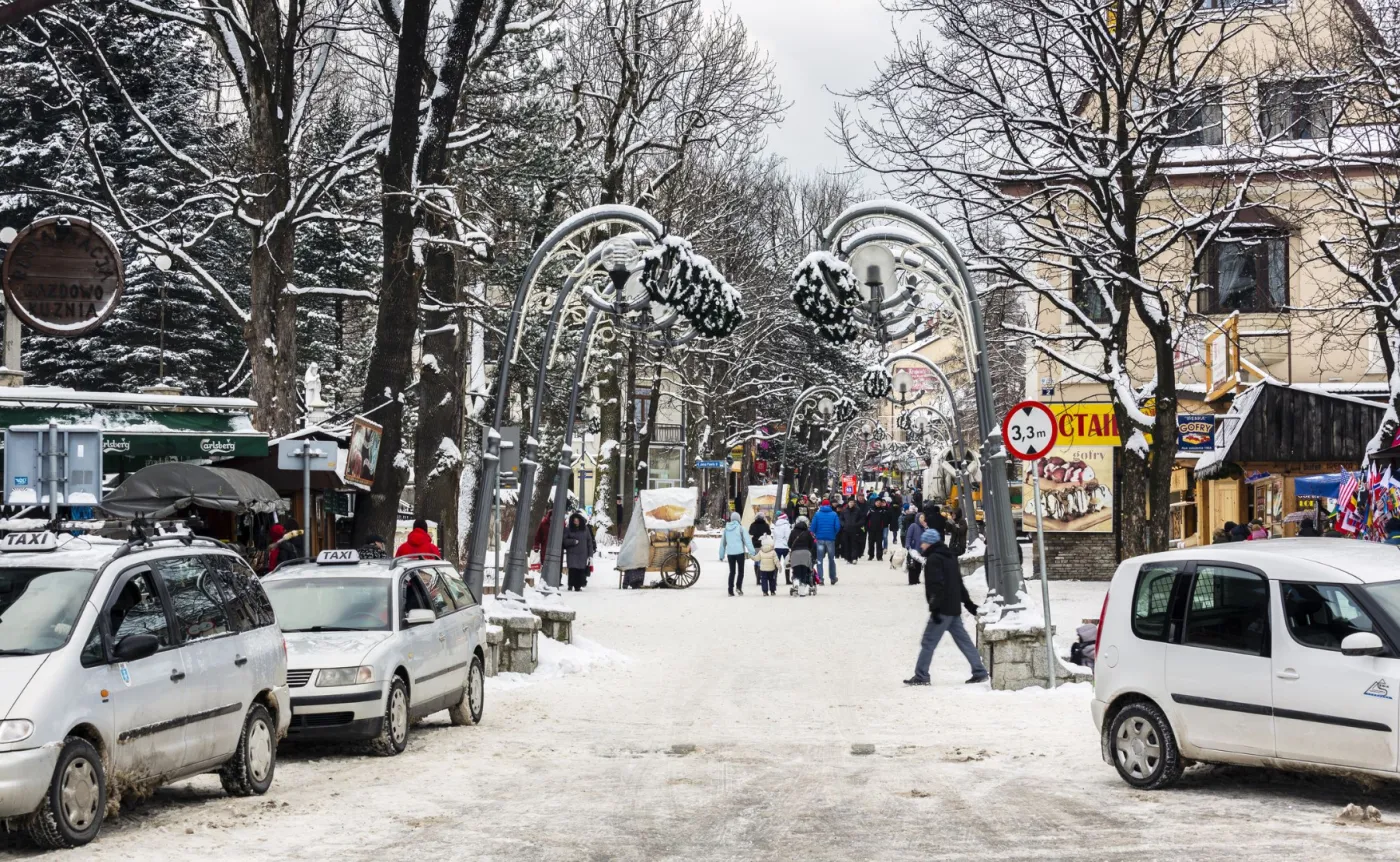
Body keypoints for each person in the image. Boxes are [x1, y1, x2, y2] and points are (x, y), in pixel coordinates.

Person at [905, 527, 989, 686]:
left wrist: (935, 608)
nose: (921, 545)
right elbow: (959, 582)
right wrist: (968, 603)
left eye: (924, 542)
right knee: (964, 641)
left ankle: (921, 675)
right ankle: (979, 671)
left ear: (930, 543)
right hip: (953, 607)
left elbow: (936, 585)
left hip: (942, 609)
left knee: (928, 642)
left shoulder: (934, 560)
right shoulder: (949, 557)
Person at [718, 511, 755, 596]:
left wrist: (721, 555)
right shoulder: (741, 528)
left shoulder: (726, 529)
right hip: (740, 553)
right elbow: (747, 541)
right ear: (739, 519)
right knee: (741, 571)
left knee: (732, 572)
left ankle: (730, 590)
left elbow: (723, 543)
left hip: (730, 554)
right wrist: (752, 552)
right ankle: (738, 587)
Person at [809, 498, 841, 585]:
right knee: (831, 559)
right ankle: (833, 578)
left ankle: (820, 579)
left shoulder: (817, 514)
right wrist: (833, 533)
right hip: (830, 539)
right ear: (829, 505)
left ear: (822, 505)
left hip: (820, 539)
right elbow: (838, 526)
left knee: (819, 560)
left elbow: (812, 528)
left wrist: (816, 534)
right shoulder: (834, 514)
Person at [562, 512, 596, 591]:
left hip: (582, 554)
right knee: (573, 570)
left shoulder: (585, 529)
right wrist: (573, 541)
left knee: (580, 570)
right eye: (574, 520)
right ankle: (570, 584)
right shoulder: (568, 529)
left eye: (577, 520)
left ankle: (578, 586)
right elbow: (564, 541)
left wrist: (590, 555)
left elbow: (589, 542)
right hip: (572, 553)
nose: (576, 522)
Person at [788, 516, 816, 596]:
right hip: (805, 553)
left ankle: (796, 583)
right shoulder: (807, 533)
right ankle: (802, 590)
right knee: (804, 572)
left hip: (795, 554)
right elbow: (812, 545)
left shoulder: (793, 532)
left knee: (796, 571)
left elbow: (789, 544)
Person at [904, 509, 927, 586]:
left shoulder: (924, 528)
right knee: (912, 565)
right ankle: (912, 580)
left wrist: (926, 527)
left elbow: (928, 536)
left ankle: (917, 579)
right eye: (921, 517)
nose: (922, 519)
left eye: (923, 517)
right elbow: (908, 536)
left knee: (918, 566)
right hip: (913, 549)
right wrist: (907, 545)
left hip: (921, 550)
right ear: (917, 518)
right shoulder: (913, 525)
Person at [865, 497, 890, 561]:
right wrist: (867, 527)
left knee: (879, 543)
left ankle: (879, 556)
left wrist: (883, 526)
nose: (878, 504)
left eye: (879, 503)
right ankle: (871, 555)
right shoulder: (870, 510)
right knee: (871, 543)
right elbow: (866, 518)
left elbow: (886, 519)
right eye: (877, 502)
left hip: (879, 530)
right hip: (871, 529)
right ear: (875, 502)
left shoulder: (883, 510)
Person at [749, 512, 772, 580]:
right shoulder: (766, 525)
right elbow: (769, 533)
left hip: (755, 544)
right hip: (764, 544)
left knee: (756, 560)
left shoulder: (753, 524)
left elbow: (750, 532)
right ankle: (762, 576)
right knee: (762, 561)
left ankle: (757, 578)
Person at [771, 512, 793, 584]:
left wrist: (774, 545)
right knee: (787, 563)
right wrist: (790, 546)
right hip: (785, 547)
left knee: (777, 563)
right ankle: (787, 580)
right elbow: (788, 536)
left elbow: (774, 537)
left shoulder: (776, 525)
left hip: (777, 546)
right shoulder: (786, 526)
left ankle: (774, 580)